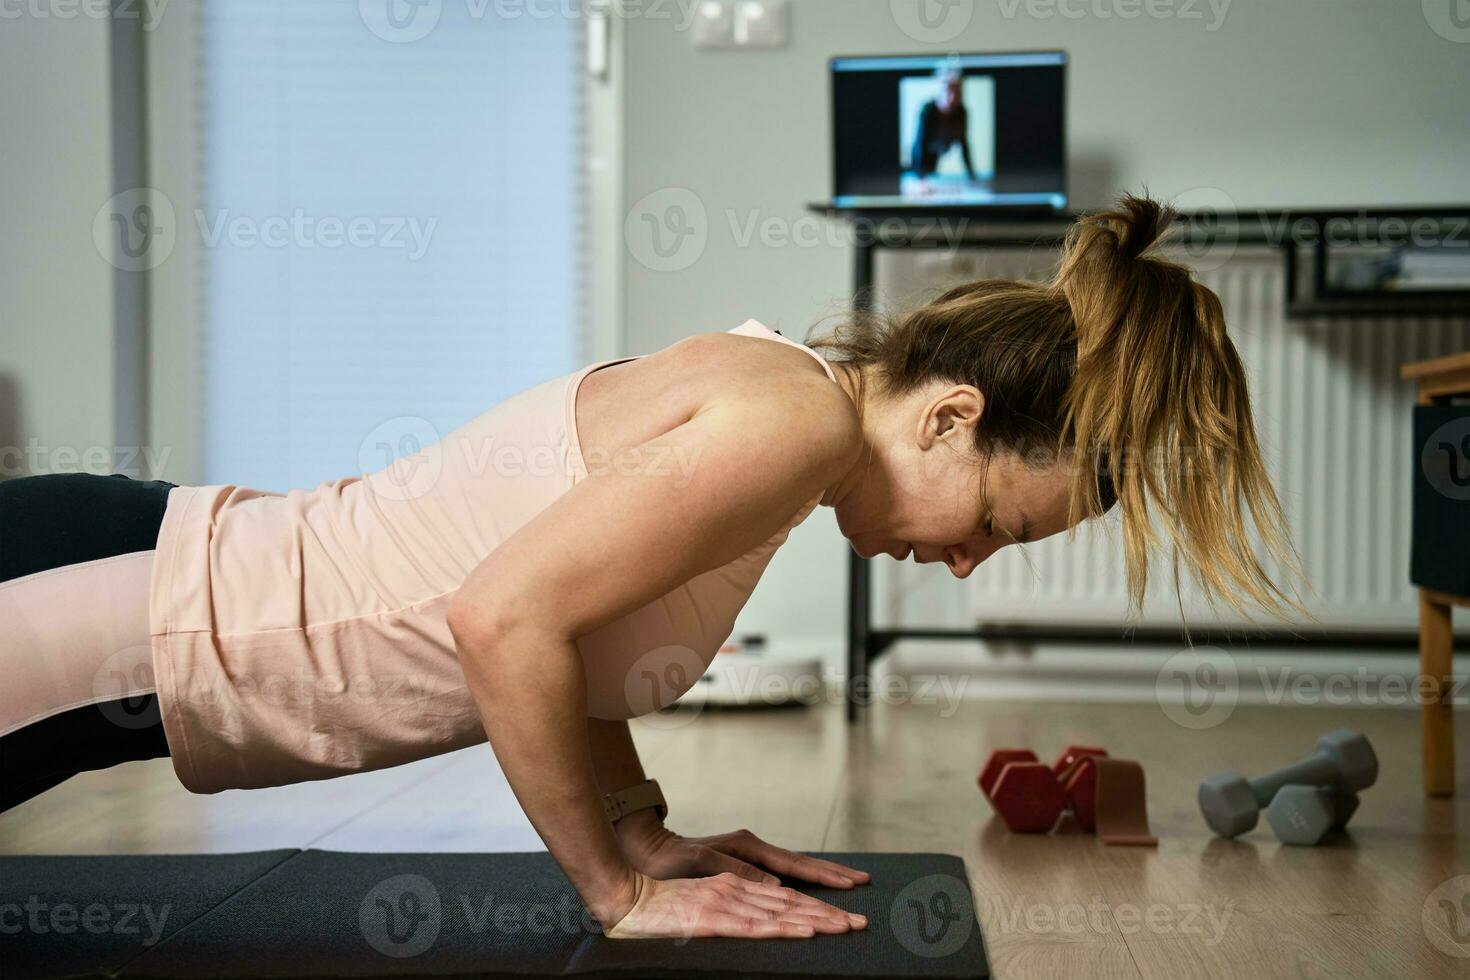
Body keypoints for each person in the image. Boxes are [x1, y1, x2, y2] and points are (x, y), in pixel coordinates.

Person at [0, 196, 1298, 940]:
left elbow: (580, 628)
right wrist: (613, 896)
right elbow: (500, 618)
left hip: (136, 585)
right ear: (950, 416)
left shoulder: (788, 410)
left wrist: (643, 828)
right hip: (114, 615)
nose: (959, 566)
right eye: (994, 526)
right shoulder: (786, 425)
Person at [910, 67, 977, 184]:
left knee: (933, 176)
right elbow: (920, 143)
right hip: (922, 154)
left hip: (939, 151)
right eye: (949, 90)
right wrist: (920, 178)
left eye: (957, 92)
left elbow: (964, 145)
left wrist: (972, 176)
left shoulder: (961, 112)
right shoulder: (928, 110)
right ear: (941, 90)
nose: (952, 98)